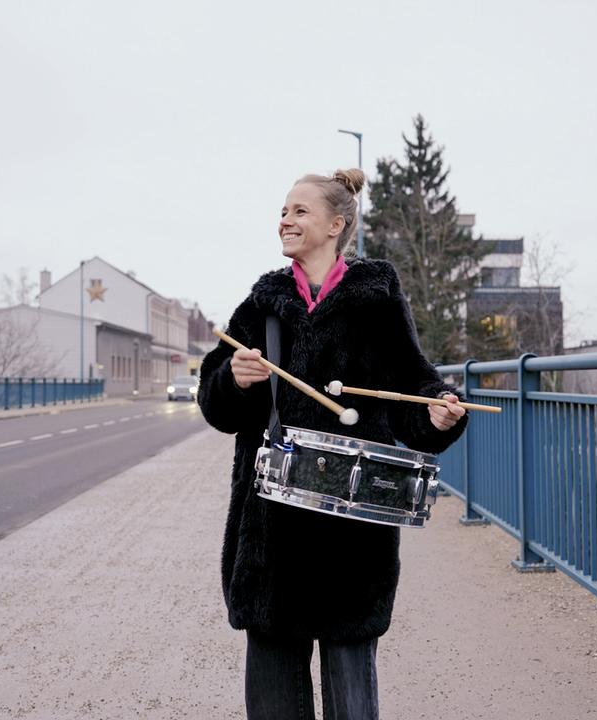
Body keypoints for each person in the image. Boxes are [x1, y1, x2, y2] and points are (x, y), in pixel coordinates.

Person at [197, 168, 469, 720]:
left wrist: (438, 413)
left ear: (335, 224)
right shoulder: (261, 304)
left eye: (299, 211)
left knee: (353, 703)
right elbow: (215, 405)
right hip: (271, 535)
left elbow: (412, 389)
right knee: (274, 705)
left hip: (352, 535)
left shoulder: (377, 302)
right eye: (283, 211)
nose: (285, 220)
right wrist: (233, 380)